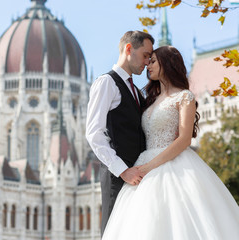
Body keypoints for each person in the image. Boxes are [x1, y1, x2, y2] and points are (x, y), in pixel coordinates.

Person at [102, 46, 239, 240]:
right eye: (148, 60)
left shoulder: (184, 97)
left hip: (173, 164)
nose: (148, 65)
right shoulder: (149, 99)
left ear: (167, 64)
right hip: (143, 165)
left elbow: (184, 139)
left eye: (153, 61)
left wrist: (149, 166)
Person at [85, 30, 154, 235]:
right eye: (145, 55)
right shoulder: (107, 82)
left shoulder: (134, 88)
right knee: (114, 232)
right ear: (129, 49)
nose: (147, 61)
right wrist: (122, 170)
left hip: (137, 175)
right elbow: (94, 133)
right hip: (118, 176)